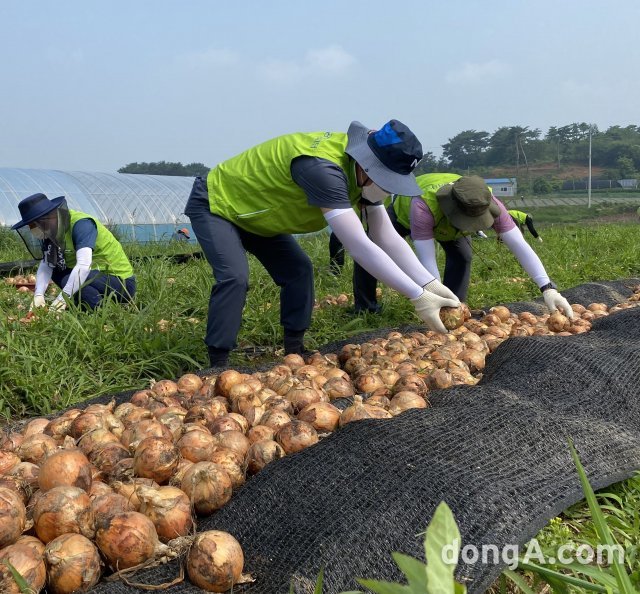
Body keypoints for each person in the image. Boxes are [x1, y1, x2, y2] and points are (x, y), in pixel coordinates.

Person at [186, 119, 462, 368]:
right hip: (217, 204)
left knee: (299, 270)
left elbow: (385, 236)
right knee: (234, 277)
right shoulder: (323, 170)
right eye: (386, 179)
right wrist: (417, 297)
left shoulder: (361, 174)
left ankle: (294, 349)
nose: (388, 188)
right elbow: (359, 246)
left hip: (259, 215)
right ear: (367, 165)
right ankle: (218, 363)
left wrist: (429, 284)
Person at [350, 173, 573, 317]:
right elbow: (427, 260)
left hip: (449, 223)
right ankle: (366, 306)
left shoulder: (488, 203)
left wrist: (548, 288)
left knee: (462, 256)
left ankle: (456, 307)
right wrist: (433, 297)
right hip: (402, 216)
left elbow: (520, 245)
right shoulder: (424, 206)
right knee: (373, 251)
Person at [11, 193, 136, 311]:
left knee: (70, 279)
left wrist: (62, 298)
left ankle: (101, 309)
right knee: (56, 270)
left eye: (35, 224)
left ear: (50, 216)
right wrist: (38, 295)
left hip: (120, 283)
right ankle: (87, 304)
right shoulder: (51, 232)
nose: (34, 229)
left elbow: (84, 266)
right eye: (31, 226)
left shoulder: (81, 224)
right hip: (93, 278)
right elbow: (46, 264)